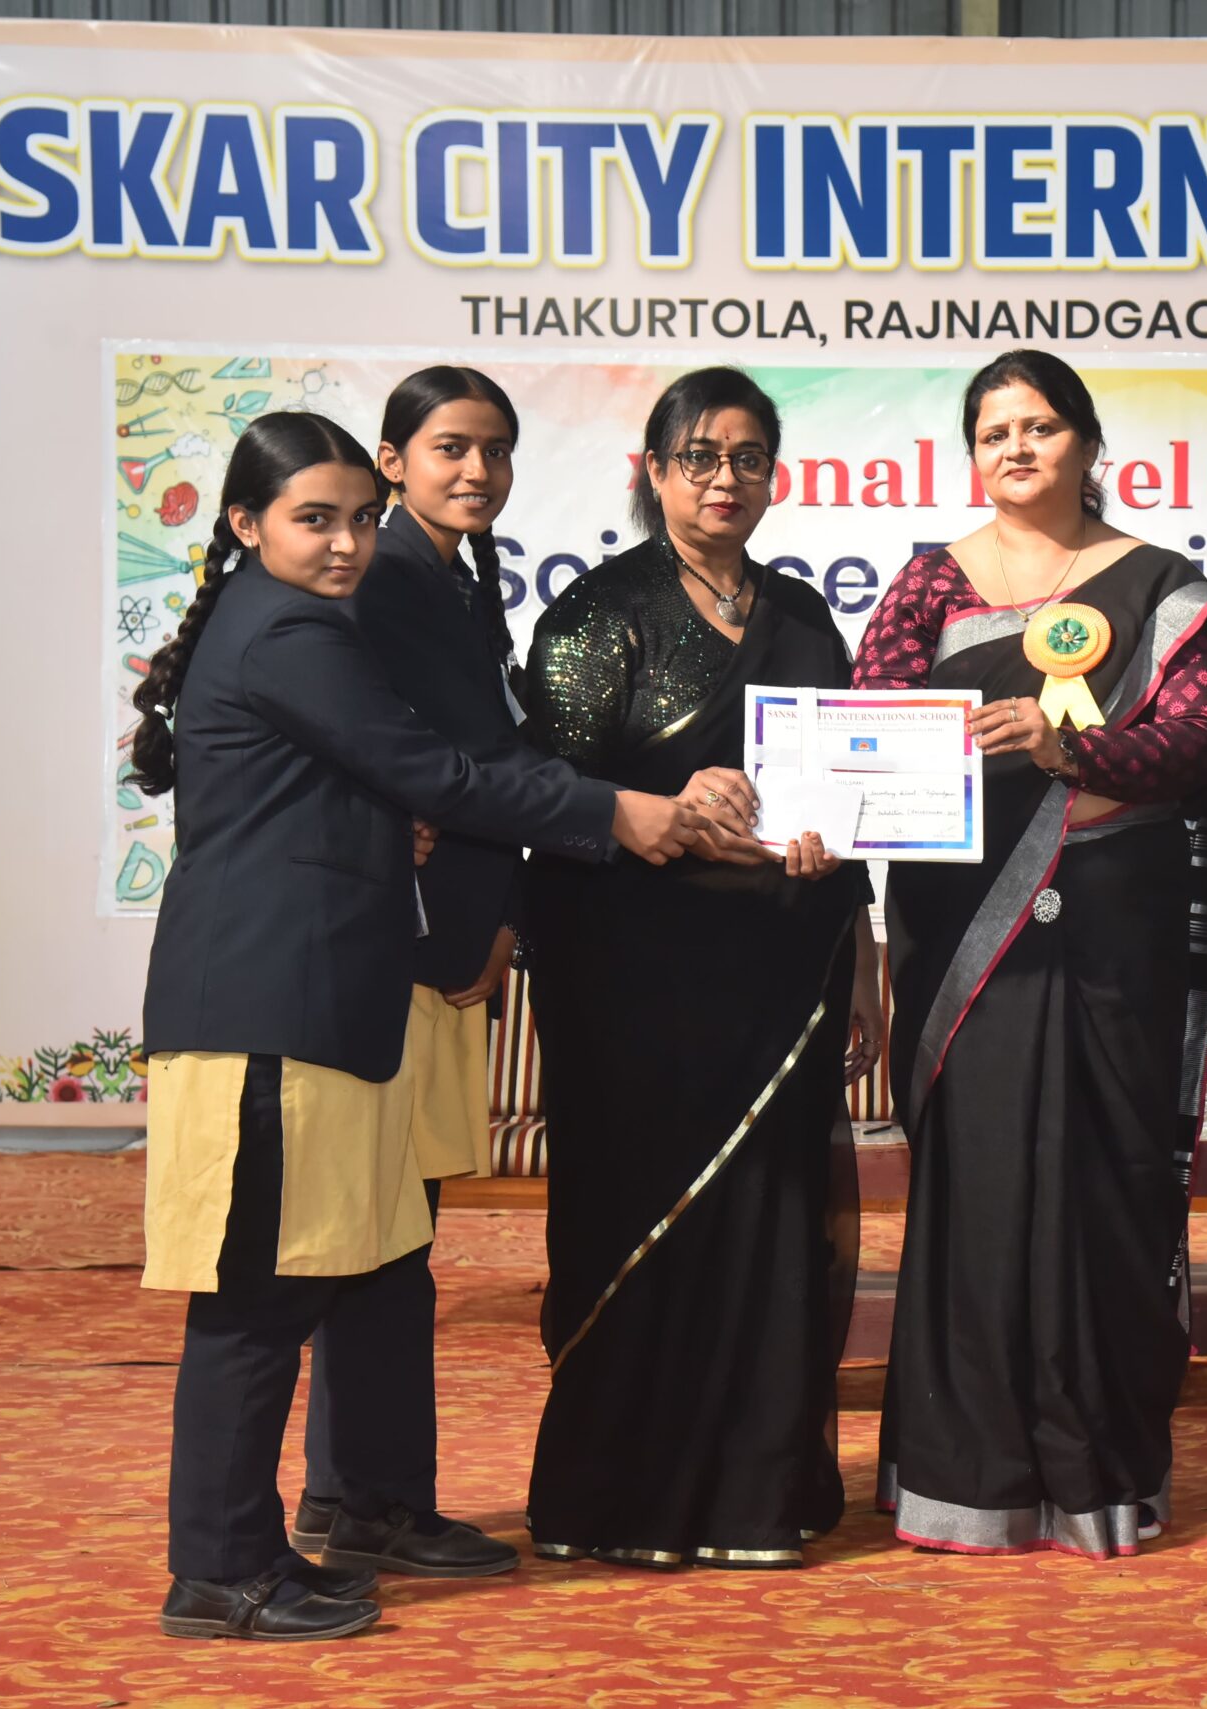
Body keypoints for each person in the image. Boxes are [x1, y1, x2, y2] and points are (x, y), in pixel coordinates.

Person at [134, 412, 699, 1641]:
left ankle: (274, 1540)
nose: (345, 544)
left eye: (356, 519)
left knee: (316, 1277)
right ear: (245, 524)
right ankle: (219, 1569)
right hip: (265, 1005)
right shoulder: (289, 630)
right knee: (254, 1303)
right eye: (314, 520)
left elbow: (376, 785)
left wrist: (397, 824)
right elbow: (435, 769)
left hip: (308, 1000)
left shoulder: (288, 620)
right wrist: (619, 811)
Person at [854, 349, 1207, 1558]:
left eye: (1038, 427)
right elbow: (872, 721)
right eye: (993, 433)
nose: (1016, 449)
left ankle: (1098, 1473)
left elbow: (1195, 742)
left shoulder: (1165, 588)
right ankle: (962, 1475)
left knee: (1103, 1185)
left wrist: (1062, 744)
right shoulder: (930, 583)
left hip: (1112, 935)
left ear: (1086, 443)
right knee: (976, 1188)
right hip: (964, 936)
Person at [520, 367, 878, 1569]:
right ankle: (616, 1500)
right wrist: (667, 805)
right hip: (633, 985)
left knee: (772, 1227)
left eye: (748, 457)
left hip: (783, 979)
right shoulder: (596, 615)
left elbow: (848, 804)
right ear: (655, 470)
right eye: (699, 456)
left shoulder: (803, 617)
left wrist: (859, 950)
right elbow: (554, 797)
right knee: (640, 1227)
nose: (725, 478)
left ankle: (754, 1495)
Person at [288, 366, 529, 1577]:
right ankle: (369, 1497)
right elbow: (387, 752)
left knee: (393, 1234)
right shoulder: (376, 577)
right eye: (449, 447)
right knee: (376, 1238)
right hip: (391, 947)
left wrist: (503, 915)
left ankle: (356, 1492)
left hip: (443, 948)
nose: (475, 470)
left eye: (494, 449)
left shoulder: (458, 577)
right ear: (392, 461)